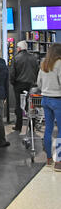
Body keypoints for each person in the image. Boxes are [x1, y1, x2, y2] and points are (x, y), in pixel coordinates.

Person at [37, 43, 61, 171]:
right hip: (58, 100)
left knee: (48, 129)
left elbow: (38, 83)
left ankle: (48, 158)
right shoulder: (59, 63)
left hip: (45, 99)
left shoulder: (43, 64)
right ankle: (59, 161)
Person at [10, 40, 39, 132]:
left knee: (18, 105)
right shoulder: (34, 57)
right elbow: (37, 71)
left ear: (19, 48)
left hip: (19, 84)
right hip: (31, 84)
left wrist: (13, 83)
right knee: (31, 105)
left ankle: (18, 126)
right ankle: (32, 126)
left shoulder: (16, 58)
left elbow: (12, 73)